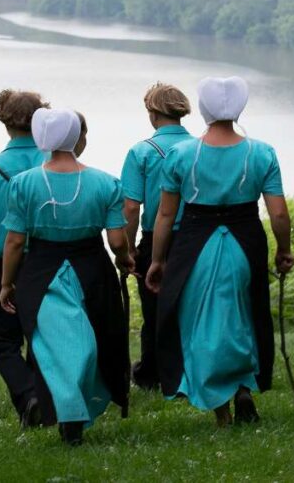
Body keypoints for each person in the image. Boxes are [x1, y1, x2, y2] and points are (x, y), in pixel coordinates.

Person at [147, 76, 294, 427]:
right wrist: (284, 251)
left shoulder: (181, 155)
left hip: (196, 244)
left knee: (202, 323)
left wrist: (157, 259)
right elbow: (278, 212)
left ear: (203, 109)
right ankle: (243, 382)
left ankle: (223, 411)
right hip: (246, 242)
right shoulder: (261, 152)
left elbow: (166, 213)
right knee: (243, 316)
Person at [0, 108, 133, 446]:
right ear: (77, 137)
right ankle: (74, 410)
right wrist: (124, 258)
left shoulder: (24, 184)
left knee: (50, 345)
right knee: (90, 343)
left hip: (40, 272)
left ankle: (68, 410)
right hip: (92, 271)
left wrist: (6, 284)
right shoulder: (105, 182)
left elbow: (14, 241)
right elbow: (117, 239)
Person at [0, 89, 48, 427]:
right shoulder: (55, 163)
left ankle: (28, 395)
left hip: (5, 264)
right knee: (44, 336)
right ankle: (42, 399)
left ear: (4, 122)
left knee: (3, 342)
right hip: (49, 258)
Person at [120, 82, 194, 390]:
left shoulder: (141, 153)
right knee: (189, 307)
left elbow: (131, 208)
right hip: (193, 236)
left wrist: (126, 250)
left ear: (153, 114)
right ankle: (189, 370)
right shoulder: (199, 146)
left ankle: (153, 373)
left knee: (154, 311)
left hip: (155, 239)